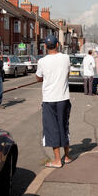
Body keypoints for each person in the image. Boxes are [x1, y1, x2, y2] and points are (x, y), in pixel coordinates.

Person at [36, 35, 73, 168]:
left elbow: (38, 78)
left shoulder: (42, 61)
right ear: (58, 44)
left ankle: (57, 160)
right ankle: (67, 156)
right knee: (64, 125)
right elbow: (67, 73)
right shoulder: (66, 58)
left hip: (49, 99)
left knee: (52, 129)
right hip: (63, 98)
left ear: (45, 46)